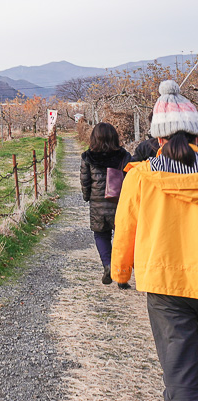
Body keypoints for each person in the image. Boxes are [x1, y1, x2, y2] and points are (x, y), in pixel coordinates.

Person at [112, 80, 198, 400]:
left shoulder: (140, 176)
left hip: (165, 284)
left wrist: (120, 272)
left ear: (158, 137)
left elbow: (125, 229)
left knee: (181, 379)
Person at [80, 122, 131, 285]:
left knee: (101, 234)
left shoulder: (87, 156)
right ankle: (122, 275)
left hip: (98, 203)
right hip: (120, 202)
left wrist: (87, 196)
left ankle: (108, 265)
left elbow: (85, 180)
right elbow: (131, 178)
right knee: (121, 237)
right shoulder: (123, 155)